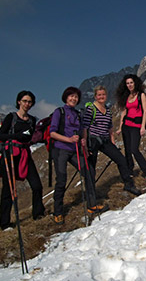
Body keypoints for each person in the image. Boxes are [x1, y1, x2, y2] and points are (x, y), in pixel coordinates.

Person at [50, 86, 104, 225]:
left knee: (89, 171)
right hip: (61, 149)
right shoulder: (59, 112)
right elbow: (52, 133)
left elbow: (80, 132)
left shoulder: (77, 113)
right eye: (71, 96)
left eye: (76, 97)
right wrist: (68, 139)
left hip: (74, 150)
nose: (74, 99)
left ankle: (92, 205)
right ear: (66, 97)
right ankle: (58, 212)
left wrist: (82, 140)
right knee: (61, 179)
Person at [0, 90, 45, 230]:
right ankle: (5, 223)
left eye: (29, 102)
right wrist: (17, 136)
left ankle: (38, 214)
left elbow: (31, 138)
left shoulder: (32, 120)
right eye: (24, 101)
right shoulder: (10, 118)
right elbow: (1, 135)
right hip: (10, 154)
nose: (27, 104)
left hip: (24, 154)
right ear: (19, 102)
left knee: (37, 185)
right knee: (8, 189)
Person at [82, 85, 141, 196]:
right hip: (93, 140)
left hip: (105, 140)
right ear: (95, 96)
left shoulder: (107, 110)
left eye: (103, 94)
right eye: (99, 95)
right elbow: (85, 127)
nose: (101, 97)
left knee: (121, 160)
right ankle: (91, 195)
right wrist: (85, 144)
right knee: (91, 168)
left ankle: (128, 184)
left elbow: (110, 128)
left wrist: (112, 141)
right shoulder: (91, 109)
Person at [115, 74, 146, 181]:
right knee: (127, 151)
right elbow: (124, 112)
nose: (129, 85)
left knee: (134, 149)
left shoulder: (141, 95)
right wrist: (120, 127)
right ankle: (130, 172)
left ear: (135, 83)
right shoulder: (127, 96)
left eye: (131, 82)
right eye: (127, 83)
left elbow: (145, 111)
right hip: (126, 126)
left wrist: (142, 127)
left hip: (136, 126)